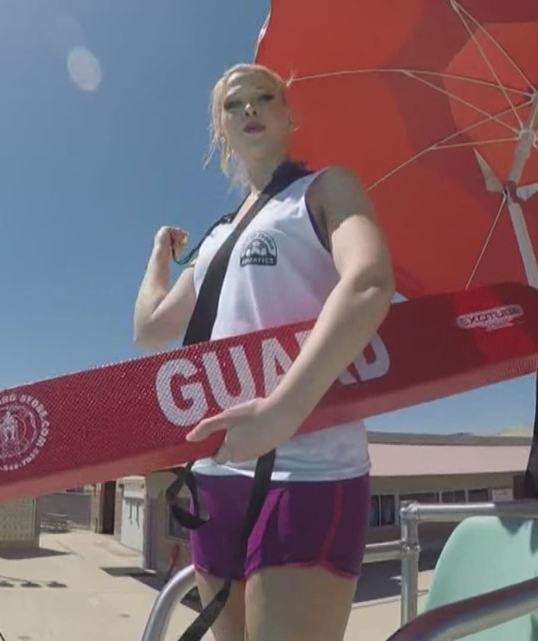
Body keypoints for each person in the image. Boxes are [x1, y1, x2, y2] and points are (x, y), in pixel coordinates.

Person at [132, 62, 395, 641]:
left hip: (312, 468)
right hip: (214, 474)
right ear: (219, 128)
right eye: (233, 104)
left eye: (263, 97)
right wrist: (159, 253)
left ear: (288, 114)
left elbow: (370, 283)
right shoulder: (218, 238)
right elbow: (151, 328)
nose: (248, 108)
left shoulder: (325, 189)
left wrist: (280, 413)